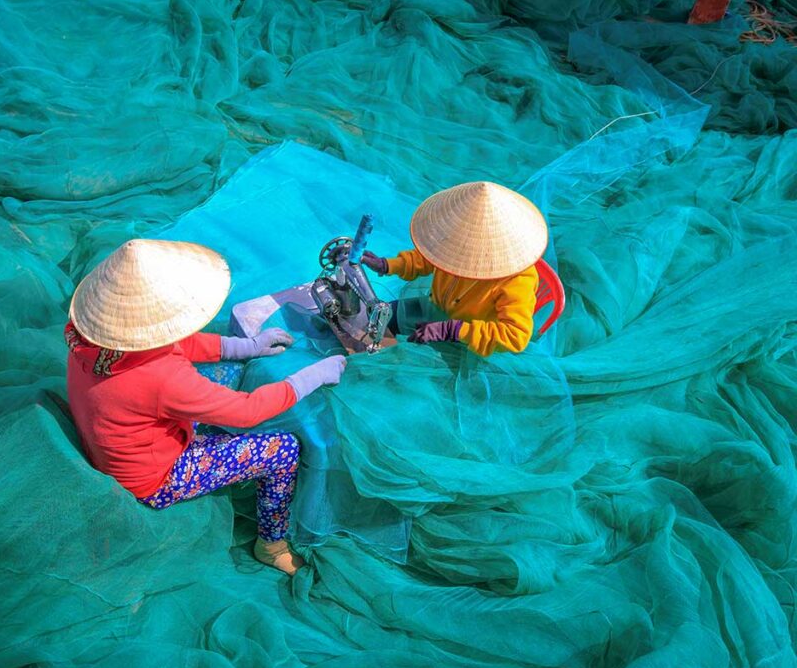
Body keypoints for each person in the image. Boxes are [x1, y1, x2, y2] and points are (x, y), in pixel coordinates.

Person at [65, 239, 346, 575]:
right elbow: (247, 412)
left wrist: (244, 347)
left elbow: (172, 341)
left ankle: (221, 433)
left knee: (226, 374)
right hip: (155, 477)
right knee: (283, 450)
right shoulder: (161, 377)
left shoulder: (90, 336)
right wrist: (309, 377)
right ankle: (271, 545)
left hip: (126, 439)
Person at [361, 181, 548, 357]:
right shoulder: (455, 242)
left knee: (412, 360)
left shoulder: (518, 279)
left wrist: (452, 330)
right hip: (435, 308)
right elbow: (426, 257)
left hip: (470, 338)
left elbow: (515, 336)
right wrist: (387, 265)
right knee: (383, 316)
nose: (455, 249)